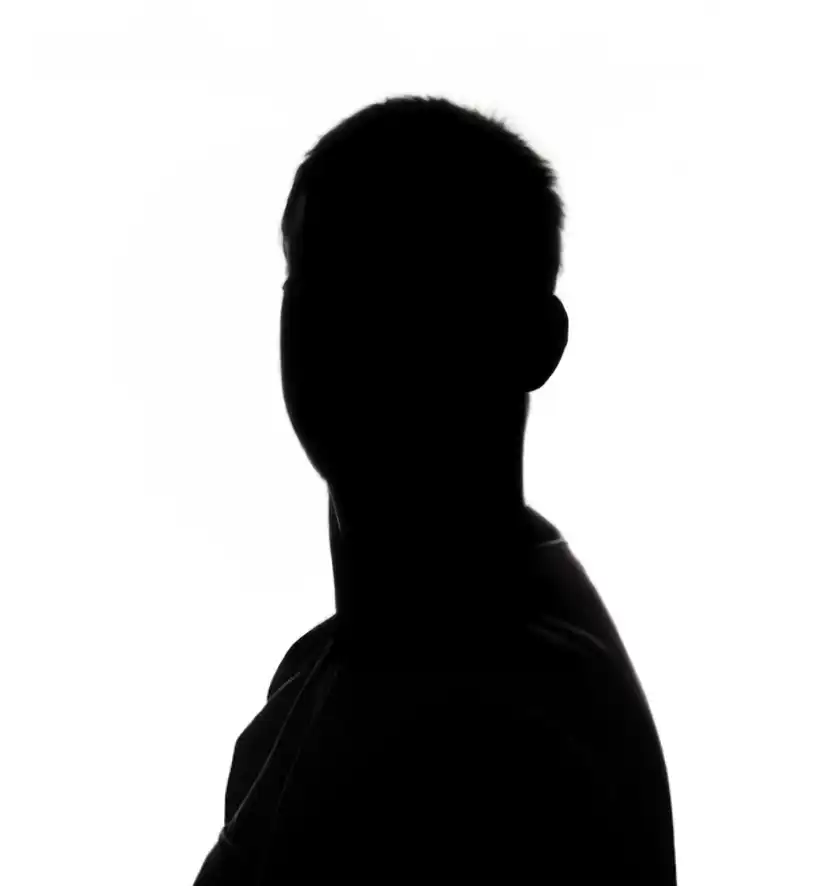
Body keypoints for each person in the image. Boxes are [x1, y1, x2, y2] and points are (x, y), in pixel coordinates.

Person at [192, 94, 677, 883]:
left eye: (418, 277)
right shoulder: (318, 675)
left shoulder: (521, 714)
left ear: (535, 340)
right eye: (324, 274)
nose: (360, 324)